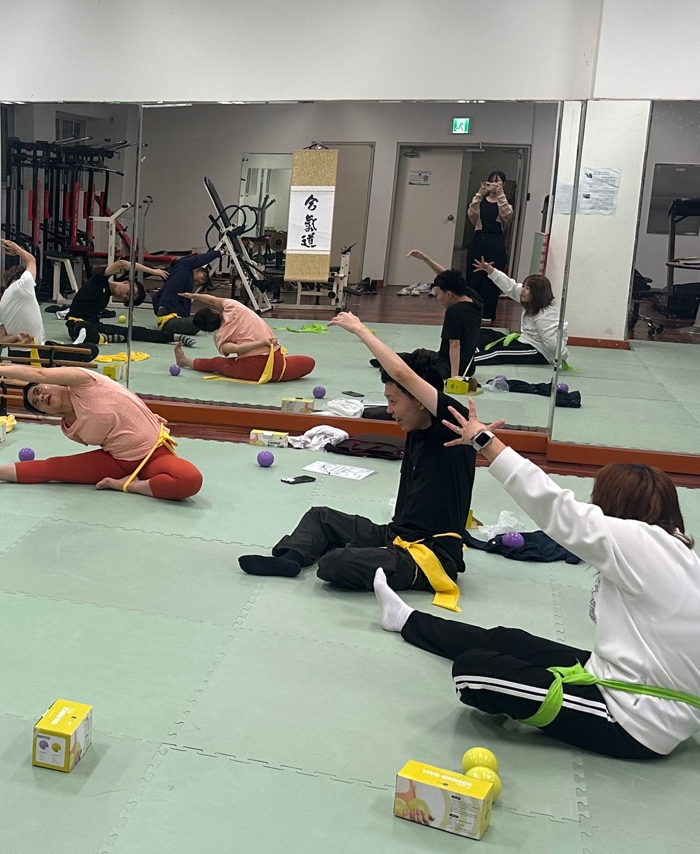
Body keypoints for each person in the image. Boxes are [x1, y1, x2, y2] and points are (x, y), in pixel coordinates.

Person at [374, 403, 700, 760]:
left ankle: (516, 694)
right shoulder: (673, 552)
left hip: (634, 721)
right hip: (618, 678)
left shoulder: (641, 543)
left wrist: (485, 442)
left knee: (474, 672)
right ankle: (406, 620)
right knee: (506, 640)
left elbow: (556, 507)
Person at [239, 311, 476, 598]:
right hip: (397, 536)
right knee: (320, 517)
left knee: (335, 563)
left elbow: (402, 373)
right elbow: (400, 379)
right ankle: (290, 559)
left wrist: (360, 330)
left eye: (393, 401)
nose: (389, 410)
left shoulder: (454, 425)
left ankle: (346, 557)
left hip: (430, 557)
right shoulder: (414, 423)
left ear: (420, 400)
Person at [0, 364, 202, 501]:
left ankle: (131, 486)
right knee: (53, 468)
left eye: (39, 391)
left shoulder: (84, 381)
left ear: (57, 382)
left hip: (154, 454)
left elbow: (39, 374)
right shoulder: (69, 427)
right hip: (119, 461)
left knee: (190, 480)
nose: (41, 397)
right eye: (37, 403)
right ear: (45, 412)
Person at [171, 292, 316, 382]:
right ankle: (184, 361)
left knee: (215, 363)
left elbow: (236, 349)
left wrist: (260, 343)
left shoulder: (220, 338)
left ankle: (185, 361)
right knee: (309, 362)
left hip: (248, 370)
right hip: (277, 366)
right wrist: (194, 296)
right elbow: (214, 299)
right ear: (214, 311)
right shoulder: (234, 307)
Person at [64, 259, 192, 346]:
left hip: (94, 325)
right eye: (128, 292)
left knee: (133, 331)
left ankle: (173, 337)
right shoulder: (99, 280)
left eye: (126, 299)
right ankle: (102, 337)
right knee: (83, 329)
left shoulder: (106, 298)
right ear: (127, 282)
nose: (124, 296)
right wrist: (153, 271)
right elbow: (121, 263)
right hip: (77, 324)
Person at [470, 261, 566, 367]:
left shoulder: (546, 315)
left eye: (527, 288)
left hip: (538, 352)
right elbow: (510, 286)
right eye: (524, 287)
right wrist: (489, 269)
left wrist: (562, 356)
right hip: (524, 341)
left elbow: (553, 344)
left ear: (537, 293)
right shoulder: (531, 300)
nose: (523, 291)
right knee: (486, 333)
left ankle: (466, 362)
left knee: (498, 353)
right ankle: (470, 350)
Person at [408, 251, 483, 379]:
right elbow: (450, 278)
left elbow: (455, 345)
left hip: (445, 368)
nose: (437, 298)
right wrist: (426, 259)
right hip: (469, 368)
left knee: (416, 356)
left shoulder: (454, 312)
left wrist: (454, 378)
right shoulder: (477, 302)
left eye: (438, 294)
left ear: (448, 294)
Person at [466, 172, 513, 323]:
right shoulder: (480, 201)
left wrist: (501, 194)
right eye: (491, 181)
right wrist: (479, 193)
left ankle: (488, 313)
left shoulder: (506, 203)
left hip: (496, 242)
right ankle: (472, 310)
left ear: (503, 184)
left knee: (493, 277)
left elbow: (507, 216)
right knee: (474, 275)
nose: (494, 184)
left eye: (498, 182)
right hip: (479, 240)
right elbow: (471, 214)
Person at [0, 239, 46, 345]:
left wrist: (16, 337)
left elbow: (1, 342)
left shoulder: (0, 308)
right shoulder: (23, 283)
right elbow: (31, 260)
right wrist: (17, 249)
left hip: (14, 353)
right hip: (35, 352)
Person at [150, 248, 220, 324]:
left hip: (173, 315)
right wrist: (218, 253)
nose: (200, 281)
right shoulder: (184, 267)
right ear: (199, 269)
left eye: (201, 283)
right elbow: (202, 259)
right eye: (203, 277)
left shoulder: (186, 280)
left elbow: (157, 297)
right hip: (170, 315)